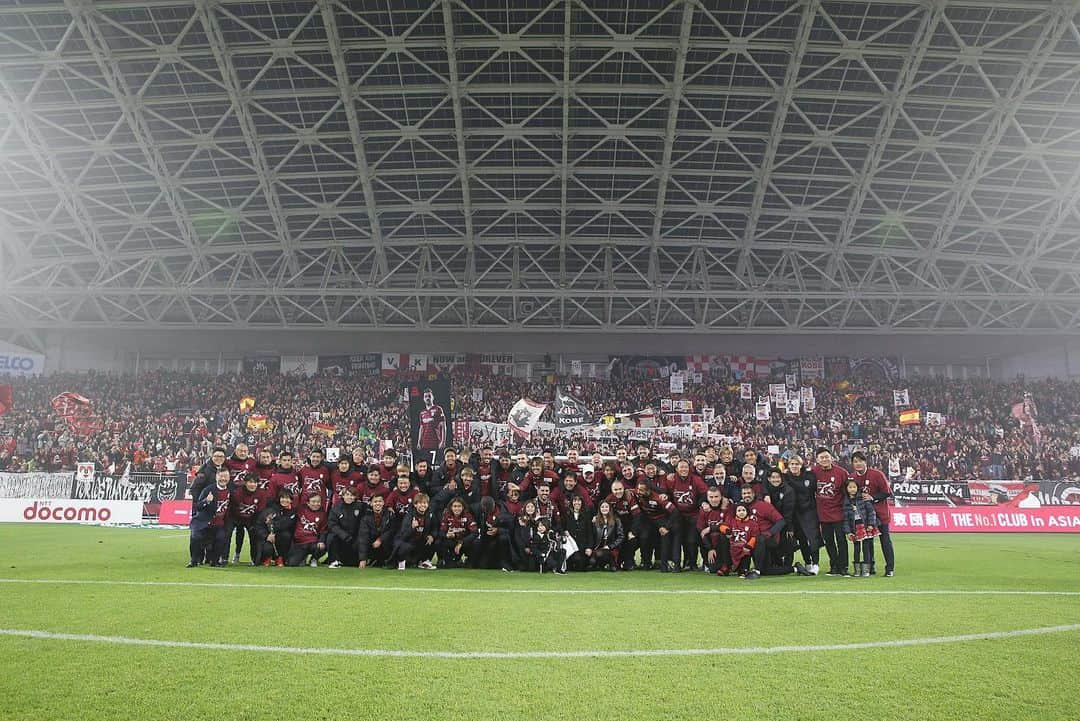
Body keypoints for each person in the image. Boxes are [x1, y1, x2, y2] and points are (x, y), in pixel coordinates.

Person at [850, 451, 895, 577]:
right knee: (867, 541)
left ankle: (889, 568)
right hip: (864, 516)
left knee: (885, 541)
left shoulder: (877, 474)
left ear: (865, 462)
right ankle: (870, 566)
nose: (858, 464)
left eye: (860, 461)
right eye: (855, 461)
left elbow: (887, 492)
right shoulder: (852, 477)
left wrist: (872, 497)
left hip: (880, 514)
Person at [812, 447, 850, 577]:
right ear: (817, 459)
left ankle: (843, 566)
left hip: (838, 513)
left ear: (831, 458)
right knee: (828, 541)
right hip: (822, 514)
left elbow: (848, 492)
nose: (824, 459)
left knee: (841, 541)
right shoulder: (814, 471)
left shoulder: (842, 472)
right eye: (821, 457)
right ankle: (834, 566)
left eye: (826, 457)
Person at [782, 454, 821, 575]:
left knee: (813, 538)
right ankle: (807, 562)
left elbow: (817, 491)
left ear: (801, 465)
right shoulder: (785, 477)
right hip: (794, 513)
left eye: (796, 464)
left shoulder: (809, 476)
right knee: (802, 539)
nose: (794, 466)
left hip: (809, 511)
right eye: (792, 464)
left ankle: (815, 563)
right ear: (788, 465)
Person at [187, 467, 231, 567]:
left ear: (229, 478)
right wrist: (206, 501)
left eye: (225, 476)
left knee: (222, 537)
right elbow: (197, 507)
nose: (223, 479)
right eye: (221, 476)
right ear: (216, 477)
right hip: (203, 523)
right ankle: (194, 560)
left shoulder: (230, 491)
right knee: (195, 537)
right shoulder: (208, 490)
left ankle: (214, 561)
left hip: (218, 524)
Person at [633, 478, 678, 572]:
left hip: (661, 520)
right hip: (648, 520)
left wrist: (666, 527)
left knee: (664, 536)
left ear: (648, 490)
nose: (638, 491)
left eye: (641, 490)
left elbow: (675, 512)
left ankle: (664, 565)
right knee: (644, 537)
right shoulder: (636, 494)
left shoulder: (659, 498)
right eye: (638, 489)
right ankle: (646, 563)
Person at [842, 479, 880, 578]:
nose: (852, 489)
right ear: (846, 489)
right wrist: (848, 532)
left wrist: (871, 524)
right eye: (850, 487)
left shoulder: (862, 498)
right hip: (854, 528)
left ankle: (866, 570)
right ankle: (857, 570)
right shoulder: (846, 502)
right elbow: (845, 519)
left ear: (857, 488)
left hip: (865, 526)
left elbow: (871, 512)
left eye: (854, 487)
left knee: (866, 548)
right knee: (856, 548)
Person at [227, 473, 266, 565]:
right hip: (237, 517)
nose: (253, 485)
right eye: (250, 482)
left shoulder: (261, 494)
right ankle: (232, 555)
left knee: (254, 536)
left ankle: (254, 559)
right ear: (245, 483)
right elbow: (233, 508)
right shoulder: (238, 493)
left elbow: (260, 511)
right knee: (236, 534)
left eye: (255, 482)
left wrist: (254, 523)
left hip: (252, 519)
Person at [252, 489, 296, 566]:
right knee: (267, 548)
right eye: (282, 498)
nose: (285, 500)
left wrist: (275, 527)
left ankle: (280, 558)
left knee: (286, 536)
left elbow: (286, 525)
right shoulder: (270, 509)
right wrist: (266, 536)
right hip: (267, 537)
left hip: (281, 537)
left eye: (287, 498)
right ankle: (267, 558)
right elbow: (258, 525)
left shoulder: (293, 512)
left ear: (291, 500)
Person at [286, 493, 327, 567]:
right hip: (299, 543)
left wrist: (321, 541)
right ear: (308, 503)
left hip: (313, 543)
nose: (316, 504)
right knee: (291, 563)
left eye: (318, 502)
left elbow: (323, 530)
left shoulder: (323, 514)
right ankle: (302, 558)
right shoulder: (301, 509)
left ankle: (314, 559)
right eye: (313, 501)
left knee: (322, 547)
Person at [697, 486, 731, 575]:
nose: (714, 500)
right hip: (711, 544)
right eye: (711, 497)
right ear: (707, 498)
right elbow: (702, 532)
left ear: (721, 497)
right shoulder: (704, 511)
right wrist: (710, 548)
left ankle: (726, 564)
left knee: (724, 535)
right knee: (713, 570)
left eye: (716, 497)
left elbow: (727, 527)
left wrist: (711, 528)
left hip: (724, 545)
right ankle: (706, 562)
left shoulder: (726, 509)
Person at [327, 486, 363, 568]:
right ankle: (334, 560)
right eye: (347, 494)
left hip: (355, 539)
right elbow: (332, 525)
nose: (349, 497)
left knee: (351, 563)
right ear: (343, 496)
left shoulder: (361, 507)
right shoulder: (336, 508)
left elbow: (364, 523)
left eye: (352, 495)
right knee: (331, 537)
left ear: (355, 497)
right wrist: (344, 535)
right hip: (341, 538)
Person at [357, 494, 395, 568]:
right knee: (358, 543)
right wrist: (363, 559)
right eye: (375, 501)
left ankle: (389, 562)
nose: (378, 503)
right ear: (371, 503)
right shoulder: (365, 517)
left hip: (385, 544)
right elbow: (363, 537)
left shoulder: (390, 514)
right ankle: (370, 559)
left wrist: (380, 539)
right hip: (371, 545)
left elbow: (391, 530)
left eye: (380, 501)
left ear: (383, 503)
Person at [438, 497, 477, 568]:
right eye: (455, 506)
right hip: (452, 542)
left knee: (476, 542)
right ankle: (448, 561)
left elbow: (474, 533)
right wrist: (447, 535)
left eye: (459, 506)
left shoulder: (468, 516)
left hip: (464, 543)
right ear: (451, 507)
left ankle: (469, 561)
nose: (457, 509)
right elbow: (441, 532)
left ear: (463, 507)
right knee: (438, 542)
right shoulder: (446, 516)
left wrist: (461, 542)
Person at [562, 494, 595, 571]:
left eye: (579, 501)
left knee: (582, 565)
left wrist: (589, 547)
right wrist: (564, 532)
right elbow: (562, 527)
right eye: (575, 500)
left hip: (582, 547)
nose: (577, 503)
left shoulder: (586, 514)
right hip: (571, 546)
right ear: (572, 503)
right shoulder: (567, 514)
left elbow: (590, 532)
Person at [590, 500, 623, 571]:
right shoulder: (595, 521)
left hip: (611, 548)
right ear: (599, 509)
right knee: (592, 561)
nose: (604, 509)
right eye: (602, 507)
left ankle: (612, 563)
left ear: (610, 508)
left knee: (600, 554)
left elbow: (621, 537)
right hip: (598, 547)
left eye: (606, 507)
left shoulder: (616, 520)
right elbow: (592, 535)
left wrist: (610, 546)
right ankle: (603, 564)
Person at [416, 387, 447, 455]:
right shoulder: (422, 413)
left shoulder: (438, 409)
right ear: (423, 399)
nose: (427, 398)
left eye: (429, 396)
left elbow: (443, 426)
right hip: (424, 444)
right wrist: (418, 442)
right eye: (426, 396)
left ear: (433, 397)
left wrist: (443, 441)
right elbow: (421, 428)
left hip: (436, 443)